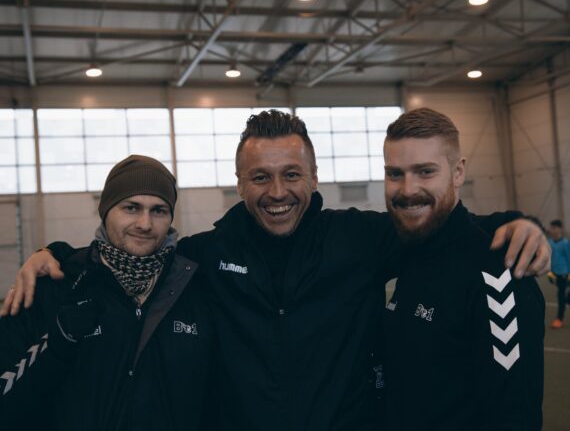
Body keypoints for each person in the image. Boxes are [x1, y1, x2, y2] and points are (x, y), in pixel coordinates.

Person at [1, 111, 551, 431]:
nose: (277, 192)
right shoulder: (204, 254)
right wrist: (54, 254)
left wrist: (518, 223)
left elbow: (433, 218)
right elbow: (133, 248)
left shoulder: (361, 239)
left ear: (314, 176)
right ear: (239, 183)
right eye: (260, 177)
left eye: (291, 174)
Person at [0, 155, 214, 431]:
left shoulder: (193, 287)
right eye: (131, 208)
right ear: (106, 211)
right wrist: (55, 345)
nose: (145, 223)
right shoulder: (55, 285)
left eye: (159, 210)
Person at [382, 108, 544, 430]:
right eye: (395, 174)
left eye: (425, 171)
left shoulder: (499, 275)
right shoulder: (410, 250)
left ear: (458, 173)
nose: (408, 189)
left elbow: (514, 418)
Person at [547, 219, 570, 329]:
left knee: (561, 297)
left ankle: (559, 319)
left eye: (554, 228)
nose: (552, 230)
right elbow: (549, 259)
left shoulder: (565, 243)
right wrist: (550, 274)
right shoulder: (549, 242)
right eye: (551, 228)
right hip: (555, 274)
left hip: (565, 274)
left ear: (560, 229)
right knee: (563, 296)